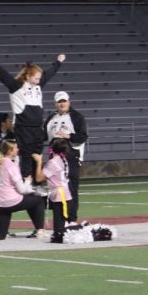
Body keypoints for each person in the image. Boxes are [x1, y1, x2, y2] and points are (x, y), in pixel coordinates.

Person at [0, 53, 65, 179]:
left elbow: (49, 74)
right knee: (26, 155)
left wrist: (58, 62)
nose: (39, 81)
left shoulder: (37, 86)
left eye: (39, 79)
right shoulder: (16, 87)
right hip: (24, 128)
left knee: (37, 154)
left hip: (37, 128)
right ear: (27, 76)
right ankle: (26, 181)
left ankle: (37, 183)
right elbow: (3, 76)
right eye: (36, 78)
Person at [0, 139, 48, 241]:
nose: (18, 149)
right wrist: (27, 181)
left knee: (1, 234)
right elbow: (22, 190)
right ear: (10, 151)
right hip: (11, 201)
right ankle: (40, 231)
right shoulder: (11, 166)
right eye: (16, 148)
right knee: (38, 200)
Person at [43, 90, 87, 222]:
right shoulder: (51, 118)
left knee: (71, 188)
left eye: (64, 101)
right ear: (55, 104)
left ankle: (71, 220)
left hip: (71, 156)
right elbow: (44, 136)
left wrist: (68, 136)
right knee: (56, 188)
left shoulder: (77, 117)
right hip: (54, 157)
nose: (62, 104)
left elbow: (83, 137)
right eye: (59, 102)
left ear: (69, 102)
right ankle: (60, 219)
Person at [36, 137, 74, 242]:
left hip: (59, 196)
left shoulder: (53, 162)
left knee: (58, 232)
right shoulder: (63, 159)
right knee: (59, 228)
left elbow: (39, 178)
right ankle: (40, 228)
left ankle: (39, 228)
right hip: (65, 195)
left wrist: (39, 162)